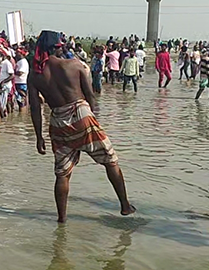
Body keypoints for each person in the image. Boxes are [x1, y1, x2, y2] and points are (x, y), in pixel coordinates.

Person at [28, 30, 134, 223]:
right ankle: (125, 205)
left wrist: (39, 137)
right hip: (81, 114)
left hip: (58, 120)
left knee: (62, 173)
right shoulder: (75, 65)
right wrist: (94, 121)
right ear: (56, 47)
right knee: (110, 160)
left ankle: (62, 219)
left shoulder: (35, 75)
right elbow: (91, 96)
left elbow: (35, 109)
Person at [0, 51, 15, 118]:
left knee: (1, 106)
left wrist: (3, 82)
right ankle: (5, 118)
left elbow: (12, 75)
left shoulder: (7, 63)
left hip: (4, 86)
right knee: (1, 105)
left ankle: (2, 122)